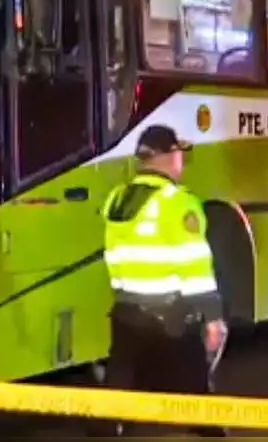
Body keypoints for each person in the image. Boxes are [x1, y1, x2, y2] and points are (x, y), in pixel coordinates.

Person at [92, 124, 228, 437]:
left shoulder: (117, 198)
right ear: (168, 156)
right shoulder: (177, 202)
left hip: (126, 309)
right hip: (169, 313)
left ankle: (107, 427)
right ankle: (207, 427)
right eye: (180, 154)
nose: (182, 162)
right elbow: (195, 266)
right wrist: (213, 318)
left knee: (121, 375)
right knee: (194, 378)